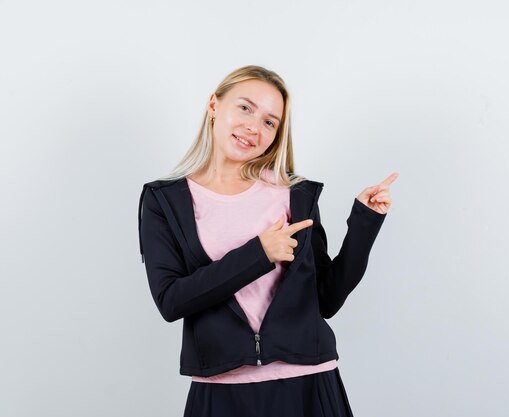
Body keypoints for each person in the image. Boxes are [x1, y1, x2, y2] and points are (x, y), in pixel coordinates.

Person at [137, 65, 398, 417]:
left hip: (309, 385)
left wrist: (365, 222)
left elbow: (327, 300)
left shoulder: (293, 194)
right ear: (214, 105)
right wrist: (259, 253)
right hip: (222, 392)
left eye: (269, 122)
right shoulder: (165, 201)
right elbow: (170, 300)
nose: (253, 128)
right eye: (245, 108)